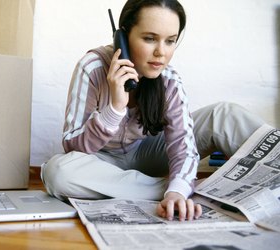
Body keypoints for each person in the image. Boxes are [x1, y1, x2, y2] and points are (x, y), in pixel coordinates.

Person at [41, 0, 265, 221]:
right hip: (101, 162)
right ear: (124, 37)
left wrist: (178, 186)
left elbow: (183, 147)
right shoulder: (92, 67)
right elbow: (73, 146)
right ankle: (182, 188)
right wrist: (115, 108)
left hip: (148, 153)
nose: (161, 53)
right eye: (150, 39)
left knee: (224, 114)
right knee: (58, 172)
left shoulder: (169, 80)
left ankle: (178, 186)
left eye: (170, 41)